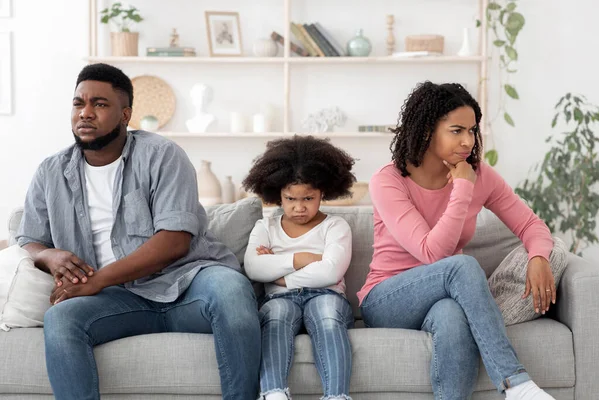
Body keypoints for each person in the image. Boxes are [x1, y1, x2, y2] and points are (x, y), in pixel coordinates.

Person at [16, 63, 261, 400]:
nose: (85, 113)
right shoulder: (51, 172)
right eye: (78, 104)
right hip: (117, 300)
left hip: (188, 283)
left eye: (100, 104)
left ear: (125, 114)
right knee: (61, 319)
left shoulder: (162, 155)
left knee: (232, 289)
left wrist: (98, 280)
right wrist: (48, 254)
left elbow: (174, 241)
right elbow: (28, 240)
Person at [358, 81, 557, 400]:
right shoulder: (389, 181)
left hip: (441, 297)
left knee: (452, 315)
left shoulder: (482, 176)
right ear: (426, 131)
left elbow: (531, 225)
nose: (468, 141)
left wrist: (538, 257)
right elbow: (431, 252)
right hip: (386, 299)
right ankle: (515, 383)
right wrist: (462, 188)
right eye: (456, 130)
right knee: (461, 266)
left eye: (473, 130)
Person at [243, 135, 356, 400]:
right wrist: (302, 258)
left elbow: (331, 272)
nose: (299, 207)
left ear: (323, 193)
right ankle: (273, 394)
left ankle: (336, 396)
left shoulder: (335, 226)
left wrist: (281, 276)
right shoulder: (266, 227)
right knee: (275, 317)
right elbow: (253, 268)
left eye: (308, 198)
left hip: (326, 296)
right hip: (278, 300)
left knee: (328, 315)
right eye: (290, 198)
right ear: (278, 196)